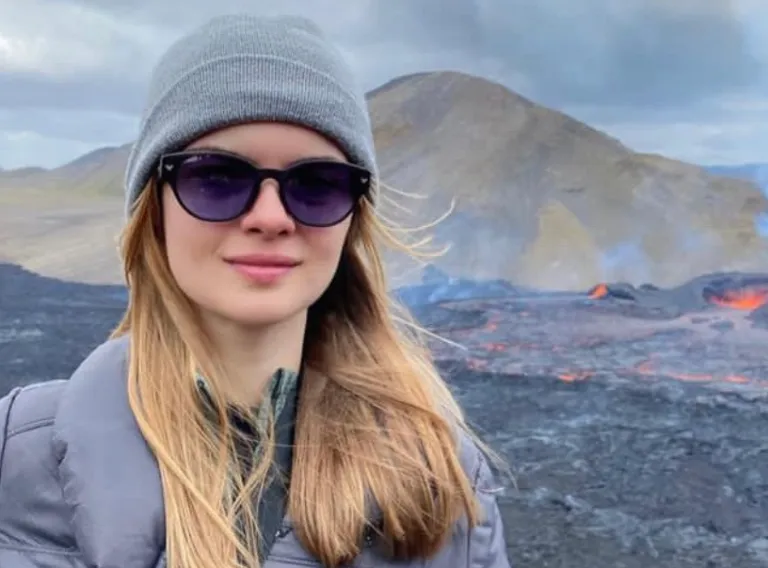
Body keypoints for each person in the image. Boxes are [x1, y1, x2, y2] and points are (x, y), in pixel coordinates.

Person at [0, 13, 511, 568]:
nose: (270, 217)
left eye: (317, 185)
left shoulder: (445, 485)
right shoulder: (14, 458)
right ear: (155, 209)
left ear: (352, 220)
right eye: (216, 178)